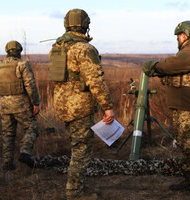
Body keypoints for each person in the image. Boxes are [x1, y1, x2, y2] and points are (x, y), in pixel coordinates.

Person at [142, 20, 190, 197]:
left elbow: (171, 65)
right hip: (185, 107)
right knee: (184, 144)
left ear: (186, 35)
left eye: (179, 35)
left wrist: (154, 66)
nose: (178, 39)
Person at [48, 8, 115, 200]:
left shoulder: (57, 47)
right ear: (85, 25)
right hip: (80, 107)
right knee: (81, 150)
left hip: (63, 105)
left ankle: (80, 188)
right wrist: (107, 106)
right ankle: (75, 192)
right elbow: (96, 80)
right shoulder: (85, 49)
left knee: (76, 146)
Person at [0, 40, 40, 171]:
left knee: (8, 133)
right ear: (19, 51)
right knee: (32, 127)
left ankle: (8, 163)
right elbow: (30, 85)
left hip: (4, 105)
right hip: (21, 104)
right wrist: (35, 103)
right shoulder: (22, 64)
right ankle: (25, 152)